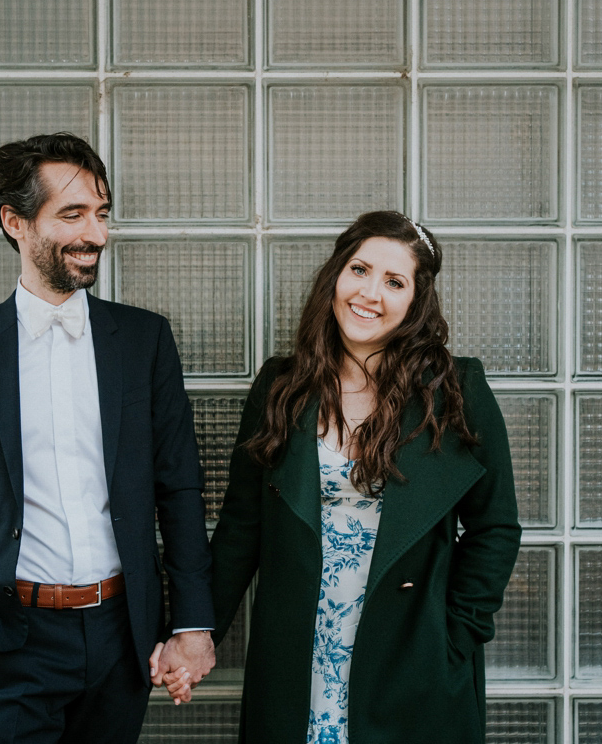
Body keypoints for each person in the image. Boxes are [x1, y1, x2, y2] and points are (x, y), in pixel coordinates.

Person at [0, 132, 215, 744]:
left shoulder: (144, 341)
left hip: (123, 636)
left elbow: (178, 487)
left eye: (101, 214)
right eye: (72, 215)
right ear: (15, 222)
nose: (95, 234)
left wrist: (192, 623)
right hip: (6, 638)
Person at [195, 211, 521, 743]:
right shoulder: (282, 387)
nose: (370, 292)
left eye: (394, 282)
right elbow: (240, 527)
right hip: (299, 652)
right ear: (335, 277)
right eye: (360, 270)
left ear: (416, 302)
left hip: (413, 654)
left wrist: (455, 635)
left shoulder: (455, 391)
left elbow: (496, 528)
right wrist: (197, 631)